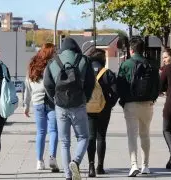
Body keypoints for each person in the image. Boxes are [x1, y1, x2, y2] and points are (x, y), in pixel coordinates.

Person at [44, 37, 95, 180]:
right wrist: (86, 98)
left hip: (60, 106)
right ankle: (76, 161)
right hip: (79, 104)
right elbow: (91, 83)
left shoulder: (53, 62)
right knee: (84, 137)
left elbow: (47, 84)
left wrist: (54, 99)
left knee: (65, 142)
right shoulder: (84, 60)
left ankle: (68, 175)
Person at [117, 37, 160, 177]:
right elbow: (158, 86)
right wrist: (152, 99)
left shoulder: (126, 64)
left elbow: (120, 85)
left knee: (132, 135)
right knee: (145, 134)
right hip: (147, 104)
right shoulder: (152, 65)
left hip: (130, 104)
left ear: (131, 50)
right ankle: (145, 166)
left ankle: (134, 164)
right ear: (143, 49)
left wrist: (123, 101)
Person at [24, 43, 59, 172]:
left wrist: (26, 104)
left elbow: (27, 85)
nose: (55, 53)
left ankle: (39, 161)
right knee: (54, 130)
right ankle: (52, 158)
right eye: (54, 51)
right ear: (49, 52)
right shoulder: (53, 65)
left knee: (41, 132)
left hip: (37, 102)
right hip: (51, 101)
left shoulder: (32, 65)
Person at [86, 49, 118, 177]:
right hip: (104, 109)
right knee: (101, 136)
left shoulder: (86, 73)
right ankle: (100, 167)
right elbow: (115, 92)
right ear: (102, 60)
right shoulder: (107, 73)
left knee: (91, 136)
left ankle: (91, 166)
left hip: (88, 109)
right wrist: (109, 104)